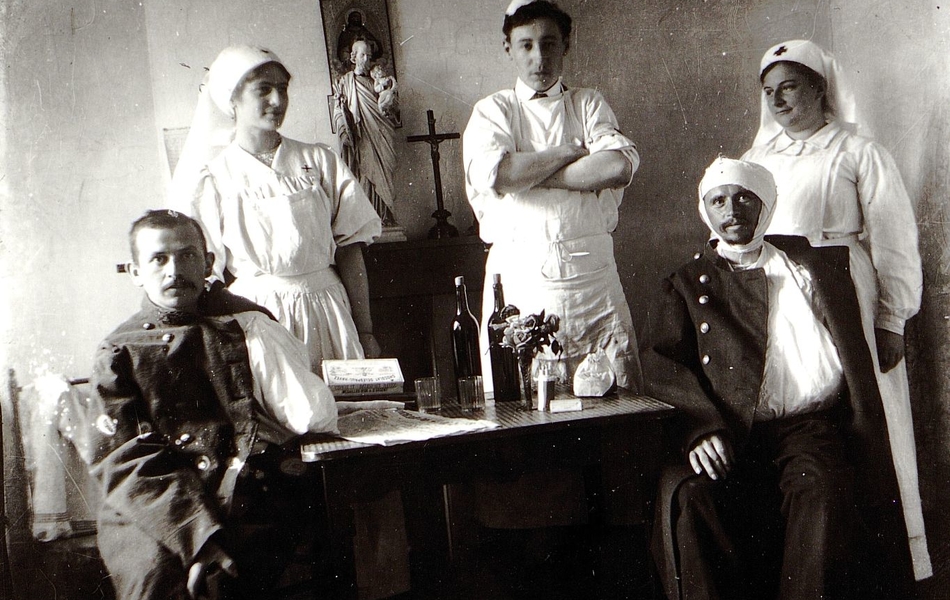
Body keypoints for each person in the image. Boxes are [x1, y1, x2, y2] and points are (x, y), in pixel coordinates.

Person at [641, 158, 915, 600]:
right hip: (726, 430)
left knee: (821, 488)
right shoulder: (687, 283)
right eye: (719, 200)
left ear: (766, 204)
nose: (732, 210)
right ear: (705, 210)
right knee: (693, 501)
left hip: (805, 428)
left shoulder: (807, 268)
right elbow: (659, 364)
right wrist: (700, 429)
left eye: (745, 197)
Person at [740, 39, 931, 579]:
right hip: (780, 298)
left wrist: (892, 317)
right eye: (769, 91)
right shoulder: (755, 160)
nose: (778, 100)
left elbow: (894, 240)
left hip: (846, 294)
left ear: (820, 88)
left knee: (867, 418)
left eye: (790, 87)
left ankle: (885, 557)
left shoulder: (857, 152)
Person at [85, 210, 341, 600]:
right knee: (158, 581)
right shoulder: (118, 351)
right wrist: (198, 534)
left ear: (207, 263)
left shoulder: (247, 322)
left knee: (230, 578)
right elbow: (125, 458)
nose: (175, 270)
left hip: (240, 487)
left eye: (188, 256)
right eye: (159, 259)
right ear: (135, 271)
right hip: (154, 502)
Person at [463, 0, 642, 395]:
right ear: (508, 48)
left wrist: (533, 173)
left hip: (593, 282)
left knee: (613, 398)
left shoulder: (587, 103)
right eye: (526, 45)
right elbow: (501, 175)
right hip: (524, 278)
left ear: (566, 44)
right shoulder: (494, 111)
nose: (539, 57)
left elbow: (616, 167)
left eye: (549, 43)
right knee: (528, 398)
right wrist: (565, 153)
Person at [171, 45, 382, 375]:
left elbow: (350, 249)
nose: (278, 101)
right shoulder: (214, 177)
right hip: (258, 318)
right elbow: (207, 272)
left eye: (282, 88)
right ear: (233, 100)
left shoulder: (320, 160)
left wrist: (366, 331)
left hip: (329, 311)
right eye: (263, 90)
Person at [333, 37, 400, 226]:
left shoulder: (377, 80)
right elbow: (338, 112)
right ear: (353, 57)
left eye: (369, 55)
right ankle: (371, 220)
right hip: (361, 138)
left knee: (384, 174)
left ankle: (386, 216)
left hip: (382, 136)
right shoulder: (345, 82)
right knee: (365, 175)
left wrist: (391, 104)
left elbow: (393, 113)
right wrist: (344, 130)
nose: (367, 59)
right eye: (363, 55)